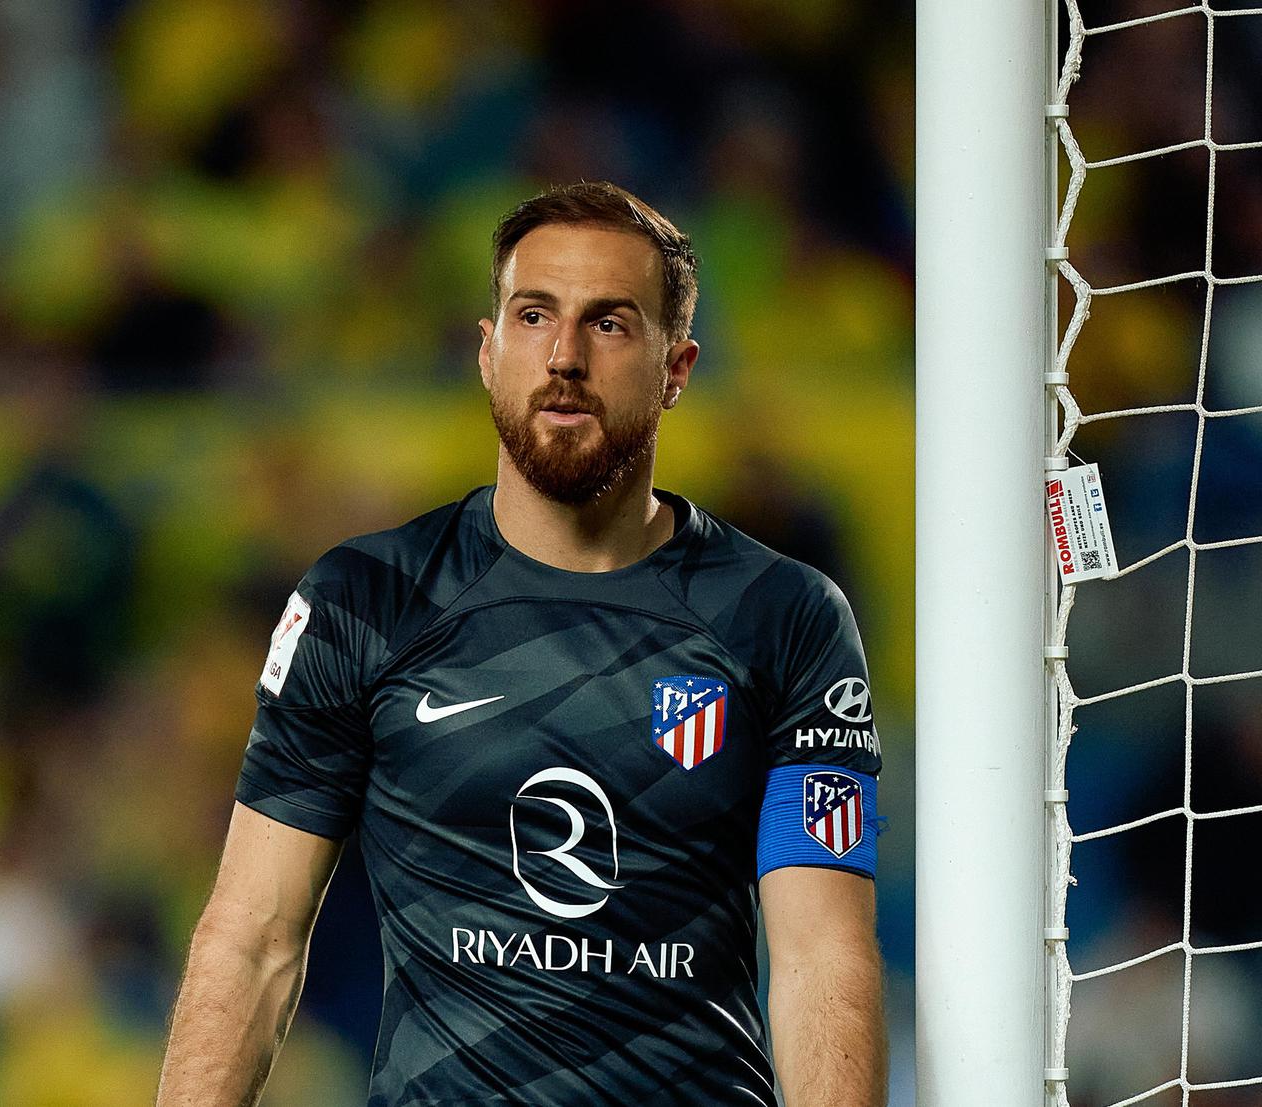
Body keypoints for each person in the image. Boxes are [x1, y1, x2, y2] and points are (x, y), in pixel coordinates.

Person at [156, 181, 887, 1106]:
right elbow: (254, 936)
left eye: (609, 323)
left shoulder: (783, 615)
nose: (565, 356)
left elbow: (822, 955)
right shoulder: (366, 600)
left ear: (676, 368)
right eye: (534, 315)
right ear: (487, 350)